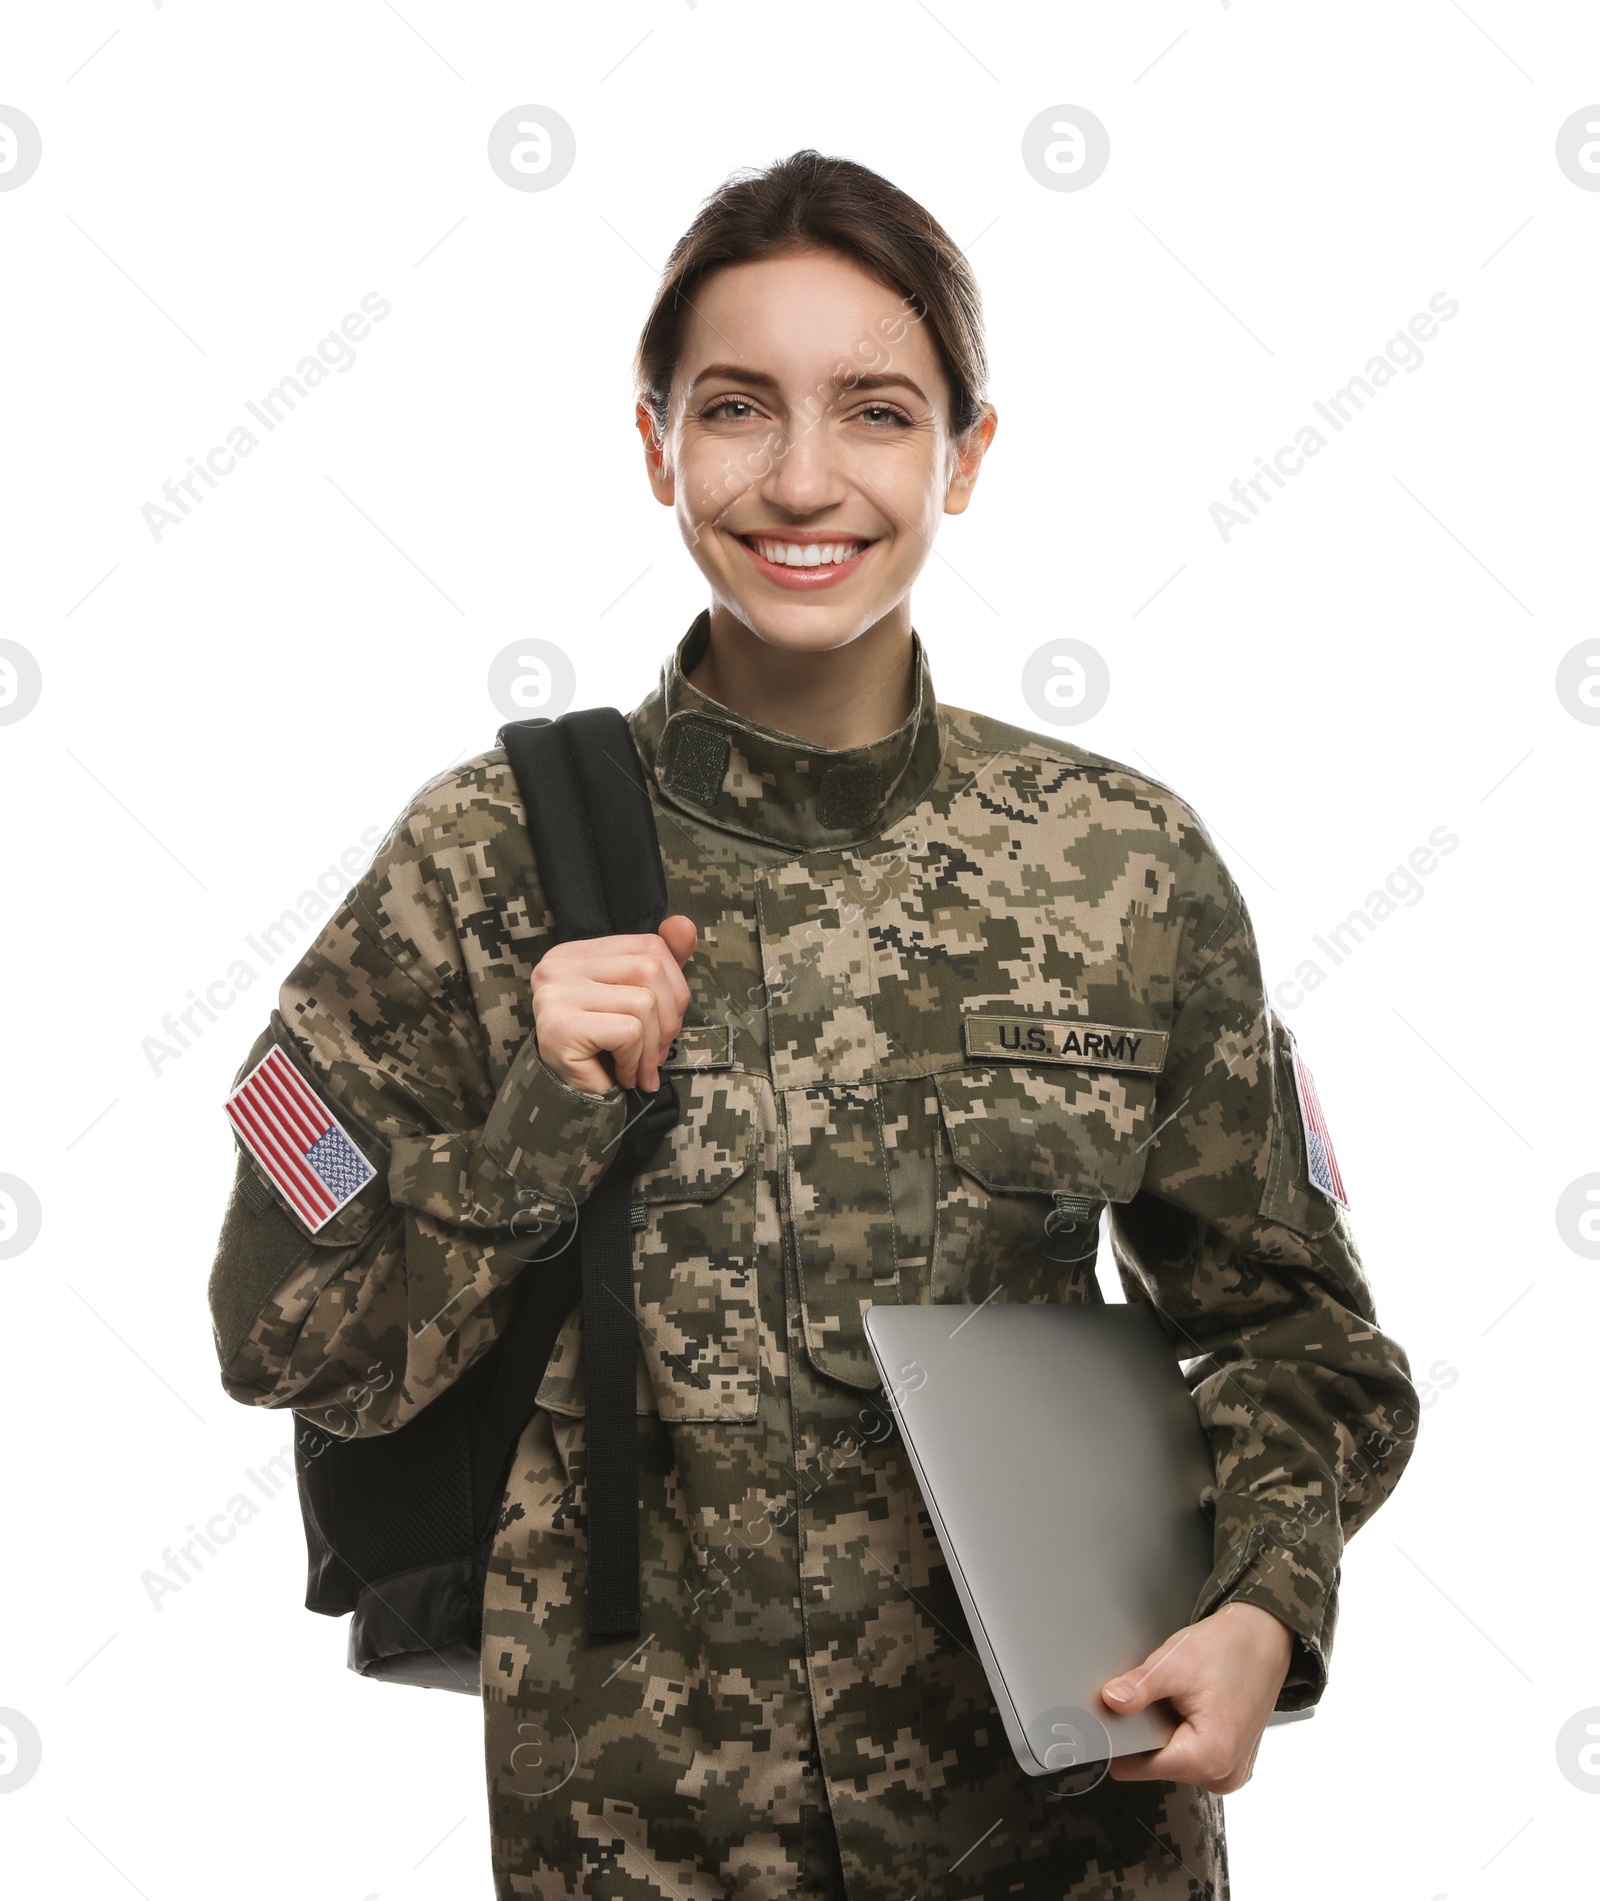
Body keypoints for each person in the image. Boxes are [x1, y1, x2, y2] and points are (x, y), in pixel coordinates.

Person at [206, 150, 1417, 1900]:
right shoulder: (479, 861)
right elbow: (285, 1343)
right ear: (654, 446)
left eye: (874, 409)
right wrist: (536, 1122)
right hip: (643, 1844)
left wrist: (1262, 1605)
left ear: (964, 455)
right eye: (733, 408)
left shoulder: (1126, 865)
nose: (801, 477)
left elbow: (1303, 1338)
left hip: (1069, 1836)